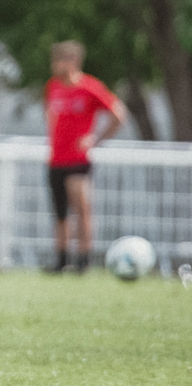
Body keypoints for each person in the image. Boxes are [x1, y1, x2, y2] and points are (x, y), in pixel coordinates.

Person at [43, 41, 125, 274]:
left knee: (81, 209)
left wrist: (95, 139)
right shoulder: (53, 86)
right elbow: (49, 115)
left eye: (61, 60)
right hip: (55, 159)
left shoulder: (89, 87)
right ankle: (61, 260)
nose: (56, 65)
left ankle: (83, 260)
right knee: (60, 212)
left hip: (78, 160)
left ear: (74, 61)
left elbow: (118, 114)